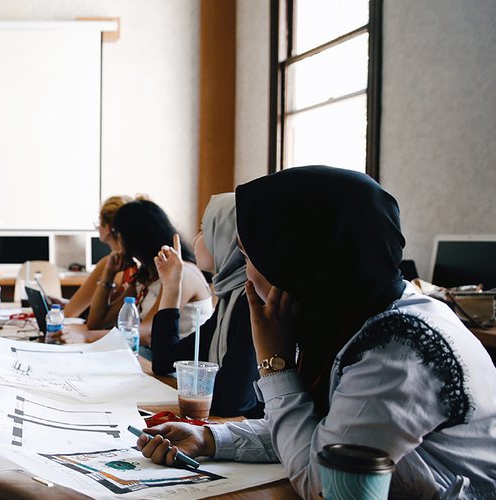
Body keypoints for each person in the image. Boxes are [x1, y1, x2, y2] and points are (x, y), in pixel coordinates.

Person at [135, 166, 496, 498]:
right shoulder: (358, 316)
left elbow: (323, 483)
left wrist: (274, 365)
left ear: (296, 261)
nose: (246, 276)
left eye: (250, 258)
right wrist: (210, 438)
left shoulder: (398, 349)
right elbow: (323, 432)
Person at [151, 193, 262, 417]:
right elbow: (165, 361)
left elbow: (231, 401)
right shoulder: (229, 298)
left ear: (225, 238)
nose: (195, 239)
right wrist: (172, 287)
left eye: (204, 230)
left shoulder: (252, 300)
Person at [62, 200, 213, 353]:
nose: (118, 241)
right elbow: (97, 322)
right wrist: (108, 275)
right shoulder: (147, 275)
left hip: (179, 369)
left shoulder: (182, 272)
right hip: (151, 357)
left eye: (118, 234)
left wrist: (87, 337)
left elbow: (147, 333)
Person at [58, 194, 139, 319]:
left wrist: (65, 307)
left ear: (107, 228)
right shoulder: (137, 263)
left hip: (102, 335)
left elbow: (70, 313)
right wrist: (65, 303)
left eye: (99, 221)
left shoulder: (110, 263)